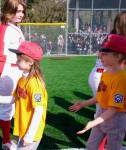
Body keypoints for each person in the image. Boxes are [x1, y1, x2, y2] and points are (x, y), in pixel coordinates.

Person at [70, 34, 126, 150]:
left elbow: (113, 109)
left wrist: (94, 122)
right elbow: (99, 97)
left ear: (118, 56)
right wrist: (83, 103)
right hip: (101, 113)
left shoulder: (121, 79)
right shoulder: (105, 74)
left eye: (105, 53)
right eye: (101, 51)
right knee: (91, 146)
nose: (100, 55)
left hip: (116, 120)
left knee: (113, 147)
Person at [0, 41, 48, 150]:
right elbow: (13, 99)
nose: (16, 61)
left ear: (30, 62)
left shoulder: (35, 84)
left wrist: (30, 135)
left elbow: (38, 110)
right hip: (21, 127)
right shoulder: (22, 79)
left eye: (19, 59)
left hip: (31, 133)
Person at [0, 0, 26, 149]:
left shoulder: (14, 27)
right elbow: (0, 58)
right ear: (9, 11)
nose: (21, 14)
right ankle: (6, 142)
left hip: (19, 71)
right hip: (8, 72)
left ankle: (17, 135)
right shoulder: (3, 29)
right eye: (18, 11)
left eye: (22, 11)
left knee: (19, 104)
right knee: (6, 108)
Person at [88, 11, 126, 149]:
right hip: (105, 76)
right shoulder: (117, 40)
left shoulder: (113, 37)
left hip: (101, 75)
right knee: (106, 115)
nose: (102, 54)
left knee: (105, 114)